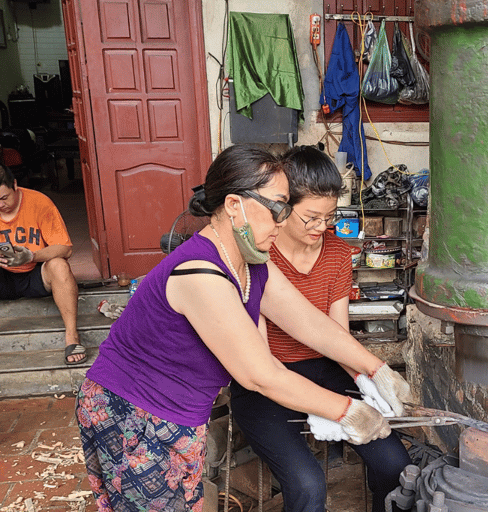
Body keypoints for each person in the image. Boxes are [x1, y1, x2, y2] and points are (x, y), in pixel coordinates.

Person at [75, 145, 411, 511]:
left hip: (181, 412)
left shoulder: (251, 261)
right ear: (234, 205)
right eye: (279, 207)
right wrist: (349, 411)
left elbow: (309, 322)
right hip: (134, 410)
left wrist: (376, 370)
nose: (283, 222)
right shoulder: (201, 273)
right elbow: (260, 375)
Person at [229, 146, 412, 512]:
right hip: (267, 378)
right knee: (307, 485)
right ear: (282, 209)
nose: (320, 227)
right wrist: (340, 408)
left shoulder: (337, 253)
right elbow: (261, 365)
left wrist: (370, 381)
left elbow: (336, 337)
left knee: (394, 464)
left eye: (328, 217)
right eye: (310, 217)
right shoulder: (258, 254)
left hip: (323, 367)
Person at [0, 164, 85, 365]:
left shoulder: (39, 202)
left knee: (59, 264)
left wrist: (31, 256)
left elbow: (66, 249)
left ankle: (72, 336)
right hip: (3, 277)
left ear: (14, 184)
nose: (0, 204)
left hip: (35, 275)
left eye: (4, 198)